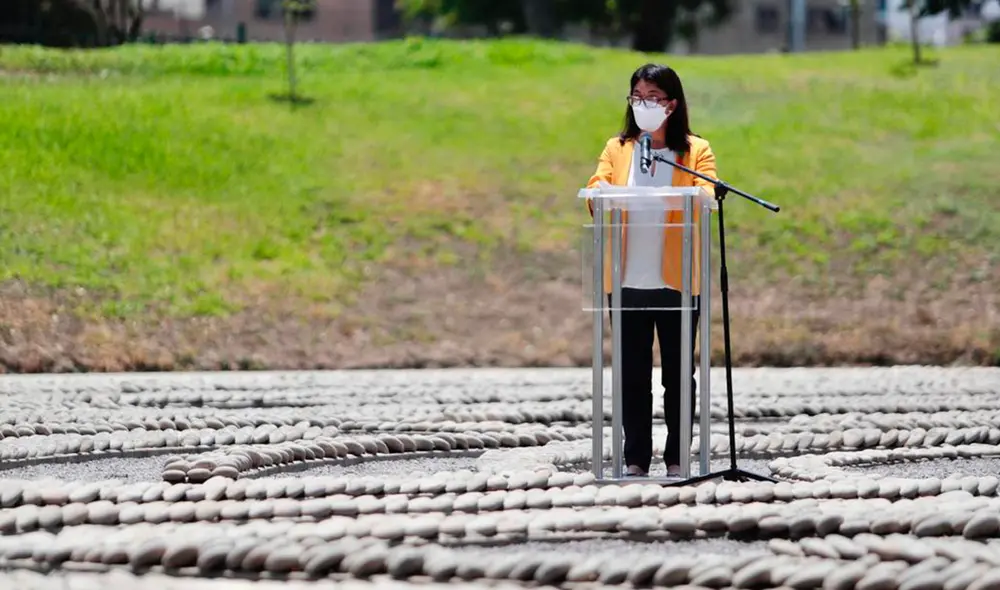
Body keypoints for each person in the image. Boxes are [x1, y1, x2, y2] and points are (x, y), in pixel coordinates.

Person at [584, 63, 718, 478]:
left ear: (672, 104)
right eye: (637, 98)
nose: (644, 106)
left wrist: (690, 194)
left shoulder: (695, 151)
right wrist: (601, 193)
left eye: (653, 99)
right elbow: (594, 189)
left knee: (679, 377)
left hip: (677, 280)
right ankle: (636, 458)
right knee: (631, 376)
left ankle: (678, 458)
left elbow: (708, 194)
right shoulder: (617, 148)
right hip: (626, 279)